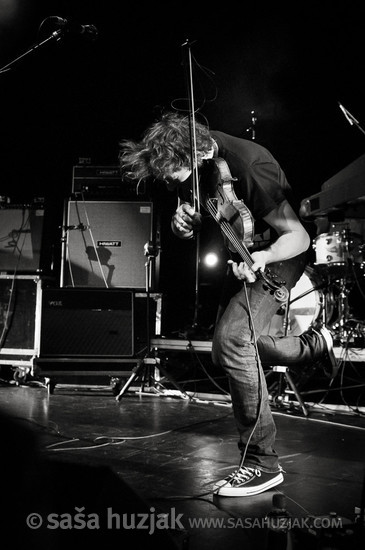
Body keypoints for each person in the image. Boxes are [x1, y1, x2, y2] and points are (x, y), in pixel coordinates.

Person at [119, 111, 338, 497]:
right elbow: (201, 212)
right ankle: (314, 346)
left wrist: (264, 259)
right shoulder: (194, 162)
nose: (171, 182)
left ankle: (262, 463)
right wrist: (183, 222)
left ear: (196, 152)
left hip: (279, 254)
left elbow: (298, 238)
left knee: (235, 341)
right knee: (227, 350)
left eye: (174, 174)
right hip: (243, 249)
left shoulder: (250, 165)